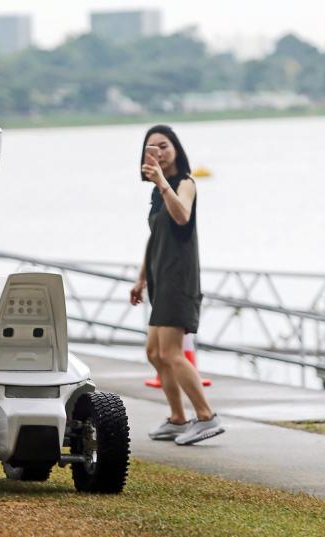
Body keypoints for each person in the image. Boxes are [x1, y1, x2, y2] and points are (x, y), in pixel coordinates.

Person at [130, 124, 224, 446]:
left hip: (179, 279)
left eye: (165, 146)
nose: (160, 152)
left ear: (176, 150)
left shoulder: (184, 183)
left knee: (171, 352)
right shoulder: (157, 191)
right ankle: (177, 418)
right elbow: (155, 236)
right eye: (152, 147)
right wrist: (141, 278)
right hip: (160, 278)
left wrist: (162, 183)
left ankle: (207, 416)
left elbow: (182, 215)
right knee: (155, 352)